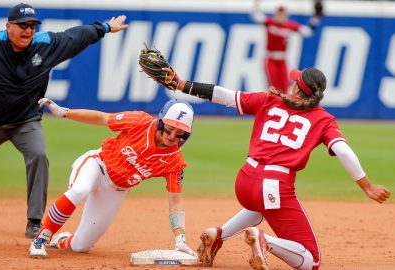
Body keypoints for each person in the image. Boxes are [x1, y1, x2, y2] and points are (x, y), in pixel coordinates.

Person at [160, 67, 391, 269]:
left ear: (297, 88)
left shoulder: (270, 99)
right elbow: (342, 150)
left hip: (245, 179)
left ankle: (218, 235)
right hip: (275, 185)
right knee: (312, 260)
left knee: (263, 207)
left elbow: (225, 96)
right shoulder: (324, 118)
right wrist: (367, 186)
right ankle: (264, 240)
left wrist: (181, 84)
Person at [0, 3, 128, 238]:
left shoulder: (45, 45)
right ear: (8, 26)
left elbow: (74, 37)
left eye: (32, 25)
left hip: (25, 122)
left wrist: (103, 27)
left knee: (39, 156)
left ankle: (34, 221)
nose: (28, 31)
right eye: (22, 25)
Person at [28, 98, 198, 258]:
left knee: (82, 246)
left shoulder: (175, 161)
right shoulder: (140, 121)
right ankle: (41, 238)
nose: (172, 136)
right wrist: (66, 112)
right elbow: (103, 118)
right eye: (169, 129)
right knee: (80, 190)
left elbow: (175, 202)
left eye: (179, 134)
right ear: (161, 122)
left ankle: (62, 240)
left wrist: (180, 239)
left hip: (117, 189)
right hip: (97, 165)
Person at [251, 0, 322, 94]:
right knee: (274, 88)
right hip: (271, 58)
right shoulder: (270, 23)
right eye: (279, 14)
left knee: (285, 88)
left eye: (283, 14)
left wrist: (316, 16)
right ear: (275, 14)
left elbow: (307, 31)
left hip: (282, 60)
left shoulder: (289, 25)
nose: (280, 16)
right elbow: (257, 16)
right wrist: (256, 3)